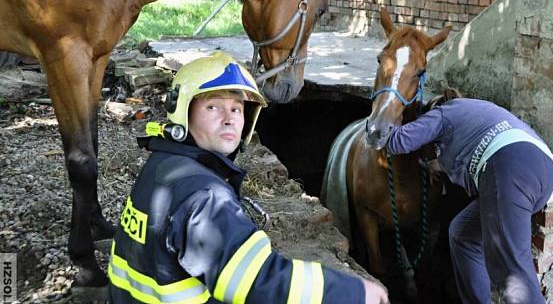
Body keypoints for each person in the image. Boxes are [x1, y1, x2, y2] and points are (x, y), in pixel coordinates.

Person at [108, 51, 389, 304]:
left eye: (237, 109)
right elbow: (258, 280)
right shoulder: (205, 196)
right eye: (213, 107)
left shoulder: (162, 165)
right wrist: (353, 292)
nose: (229, 119)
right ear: (183, 110)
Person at [386, 88, 553, 304]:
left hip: (506, 169)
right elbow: (459, 155)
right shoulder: (480, 110)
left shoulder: (443, 113)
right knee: (463, 234)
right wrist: (435, 163)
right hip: (542, 170)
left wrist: (389, 116)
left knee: (513, 271)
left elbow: (397, 142)